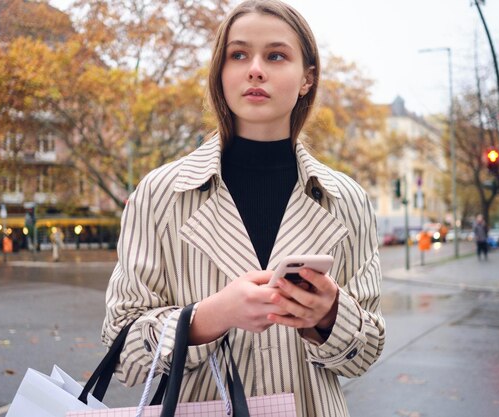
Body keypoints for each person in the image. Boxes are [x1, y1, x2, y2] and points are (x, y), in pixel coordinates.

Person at [101, 2, 385, 416]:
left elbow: (368, 351)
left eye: (275, 55)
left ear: (307, 78)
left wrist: (328, 317)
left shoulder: (347, 199)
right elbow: (121, 347)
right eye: (238, 55)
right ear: (221, 73)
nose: (255, 69)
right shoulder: (160, 193)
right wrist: (210, 317)